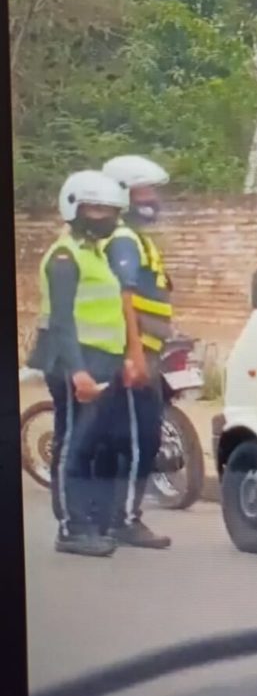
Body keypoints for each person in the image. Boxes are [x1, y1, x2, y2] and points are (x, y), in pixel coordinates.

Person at [28, 171, 129, 557]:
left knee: (90, 444)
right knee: (75, 443)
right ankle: (71, 529)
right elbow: (62, 320)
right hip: (76, 360)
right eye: (97, 208)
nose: (106, 216)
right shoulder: (65, 257)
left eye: (110, 209)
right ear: (74, 207)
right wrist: (79, 371)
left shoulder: (92, 252)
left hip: (99, 359)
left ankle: (88, 520)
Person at [99, 155, 173, 549]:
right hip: (136, 354)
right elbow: (124, 297)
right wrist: (134, 354)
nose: (154, 198)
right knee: (139, 439)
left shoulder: (135, 238)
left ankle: (115, 515)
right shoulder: (125, 240)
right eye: (146, 190)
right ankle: (125, 519)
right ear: (125, 195)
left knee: (136, 437)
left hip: (147, 349)